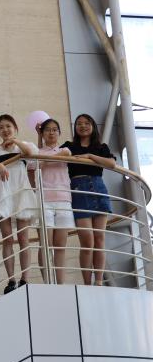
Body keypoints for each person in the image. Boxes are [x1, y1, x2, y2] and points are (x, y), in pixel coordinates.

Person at [0, 114, 38, 294]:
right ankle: (11, 279)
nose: (5, 130)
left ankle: (25, 278)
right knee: (7, 238)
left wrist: (15, 141)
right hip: (4, 192)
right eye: (1, 127)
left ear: (15, 128)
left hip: (21, 192)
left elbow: (31, 154)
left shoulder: (23, 145)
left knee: (23, 238)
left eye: (8, 126)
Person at [61, 114, 116, 286]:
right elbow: (51, 152)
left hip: (98, 188)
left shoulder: (100, 147)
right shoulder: (70, 146)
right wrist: (41, 136)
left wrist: (90, 156)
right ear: (75, 127)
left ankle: (98, 282)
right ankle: (87, 283)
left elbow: (111, 163)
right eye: (79, 123)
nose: (83, 126)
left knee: (99, 238)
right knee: (87, 240)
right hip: (78, 190)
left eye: (86, 123)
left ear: (93, 126)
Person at [28, 118, 74, 284]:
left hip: (64, 200)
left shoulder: (65, 149)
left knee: (60, 245)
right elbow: (31, 170)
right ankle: (48, 282)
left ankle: (60, 284)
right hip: (44, 200)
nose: (52, 132)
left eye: (55, 129)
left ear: (59, 132)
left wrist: (44, 161)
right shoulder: (36, 152)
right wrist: (36, 190)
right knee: (45, 244)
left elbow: (65, 155)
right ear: (42, 133)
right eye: (47, 129)